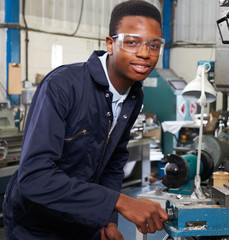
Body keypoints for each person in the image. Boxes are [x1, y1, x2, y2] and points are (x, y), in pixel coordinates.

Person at [3, 1, 168, 239]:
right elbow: (34, 176)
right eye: (132, 42)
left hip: (84, 220)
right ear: (110, 44)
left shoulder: (134, 95)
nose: (145, 53)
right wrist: (120, 203)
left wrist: (108, 221)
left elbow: (113, 161)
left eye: (154, 45)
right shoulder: (63, 86)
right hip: (37, 225)